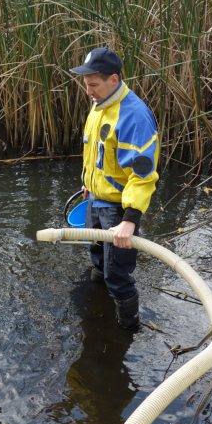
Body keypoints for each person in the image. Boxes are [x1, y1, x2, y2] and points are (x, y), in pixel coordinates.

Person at [68, 47, 159, 330]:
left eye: (93, 85)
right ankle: (98, 297)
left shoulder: (134, 117)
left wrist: (129, 221)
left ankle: (127, 329)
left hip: (119, 210)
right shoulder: (100, 105)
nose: (88, 92)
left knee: (117, 275)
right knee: (97, 256)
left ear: (114, 80)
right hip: (96, 199)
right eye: (86, 85)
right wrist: (88, 183)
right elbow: (96, 152)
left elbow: (143, 175)